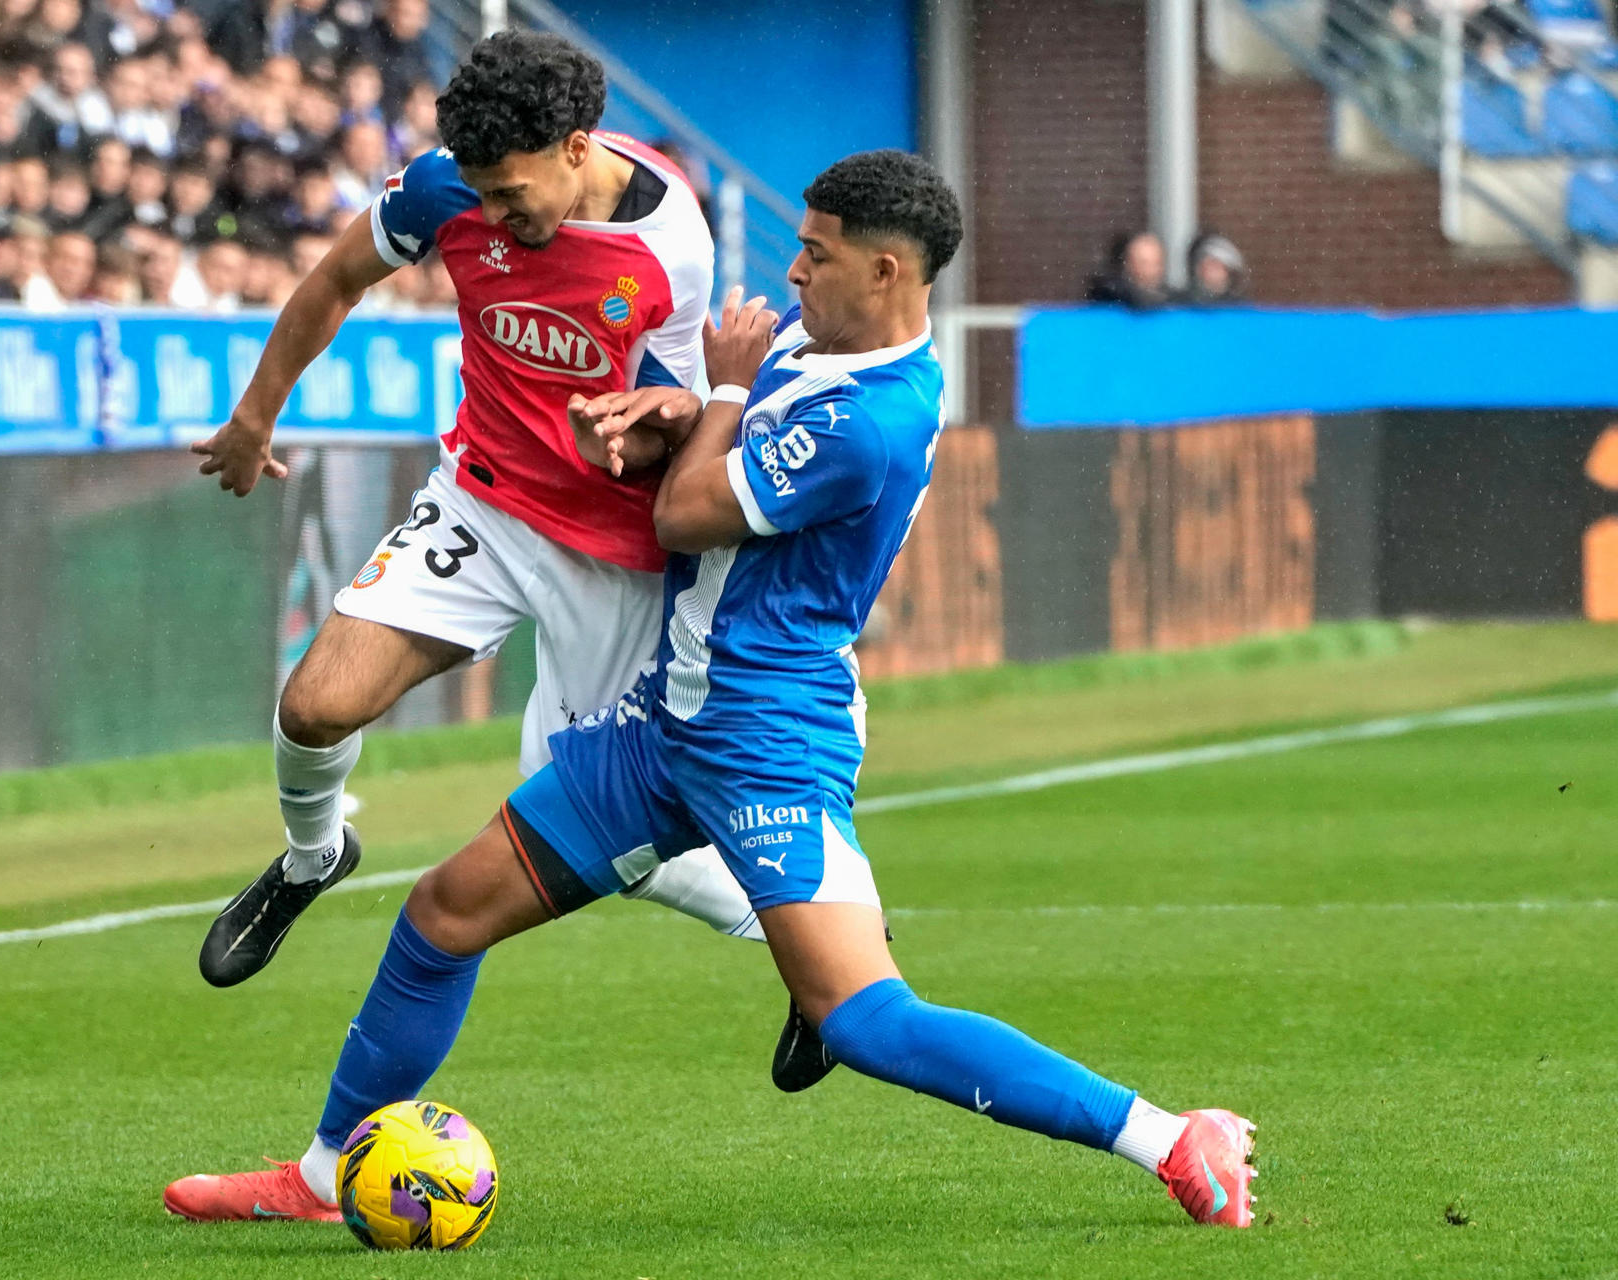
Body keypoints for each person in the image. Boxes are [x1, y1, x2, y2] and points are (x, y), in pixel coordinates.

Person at [163, 150, 1262, 1231]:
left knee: (866, 1018)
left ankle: (1170, 1136)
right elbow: (706, 452)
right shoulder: (818, 347)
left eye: (816, 256)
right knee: (444, 914)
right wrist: (668, 416)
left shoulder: (872, 419)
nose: (793, 274)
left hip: (765, 740)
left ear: (887, 273)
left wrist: (723, 389)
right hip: (665, 726)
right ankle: (318, 1177)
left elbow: (687, 516)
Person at [182, 30, 789, 1066]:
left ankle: (826, 953)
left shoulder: (671, 238)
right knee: (313, 703)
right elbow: (333, 279)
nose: (497, 217)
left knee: (612, 837)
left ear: (577, 144)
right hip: (486, 502)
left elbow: (695, 414)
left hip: (615, 548)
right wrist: (254, 416)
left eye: (512, 194)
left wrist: (659, 415)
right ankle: (314, 853)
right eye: (482, 195)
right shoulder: (438, 193)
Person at [1084, 229, 1170, 308]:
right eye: (1144, 263)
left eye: (1156, 263)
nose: (1151, 270)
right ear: (1129, 264)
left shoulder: (1172, 302)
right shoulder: (1111, 296)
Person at [1181, 231, 1247, 305]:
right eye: (1203, 264)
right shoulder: (1179, 305)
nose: (1206, 269)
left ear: (1227, 271)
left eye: (1214, 264)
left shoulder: (1239, 309)